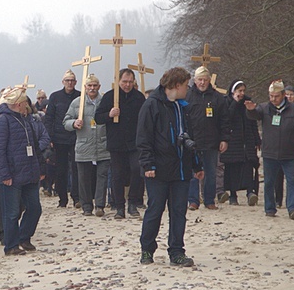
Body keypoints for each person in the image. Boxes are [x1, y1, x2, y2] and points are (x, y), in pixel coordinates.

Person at [136, 68, 204, 267]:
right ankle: (147, 249)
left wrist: (196, 164)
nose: (188, 88)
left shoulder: (183, 107)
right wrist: (148, 163)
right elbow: (143, 137)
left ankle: (176, 251)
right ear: (176, 85)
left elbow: (189, 137)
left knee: (178, 212)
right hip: (157, 169)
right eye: (185, 85)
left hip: (181, 169)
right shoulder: (151, 105)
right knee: (155, 210)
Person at [245, 80, 294, 220]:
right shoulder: (264, 108)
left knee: (292, 181)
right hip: (270, 153)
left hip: (290, 153)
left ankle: (293, 208)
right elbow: (254, 115)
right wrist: (250, 110)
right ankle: (270, 208)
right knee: (269, 181)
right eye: (271, 96)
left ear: (283, 95)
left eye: (276, 96)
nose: (273, 99)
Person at [0, 87, 43, 256]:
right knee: (12, 212)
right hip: (12, 175)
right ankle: (11, 245)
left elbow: (34, 146)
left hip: (29, 172)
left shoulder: (25, 119)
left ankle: (24, 237)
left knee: (35, 208)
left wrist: (40, 167)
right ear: (19, 104)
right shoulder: (2, 120)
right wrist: (5, 174)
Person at [95, 68, 146, 219]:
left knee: (136, 170)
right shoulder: (110, 96)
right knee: (117, 175)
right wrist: (109, 115)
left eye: (130, 82)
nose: (127, 85)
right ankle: (119, 207)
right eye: (124, 81)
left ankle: (132, 203)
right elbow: (98, 118)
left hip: (134, 142)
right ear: (118, 81)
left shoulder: (138, 97)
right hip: (116, 142)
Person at [63, 74, 110, 217]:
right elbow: (66, 121)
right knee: (83, 177)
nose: (92, 88)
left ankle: (100, 205)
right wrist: (74, 123)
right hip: (84, 145)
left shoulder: (105, 102)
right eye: (89, 85)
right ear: (85, 87)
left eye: (95, 85)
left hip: (102, 144)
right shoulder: (77, 103)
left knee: (102, 176)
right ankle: (86, 205)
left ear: (99, 87)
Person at [186, 66, 230, 211]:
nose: (202, 83)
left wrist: (224, 139)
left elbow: (224, 120)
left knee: (210, 172)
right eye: (200, 80)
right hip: (193, 141)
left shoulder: (217, 97)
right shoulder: (188, 96)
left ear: (209, 80)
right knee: (193, 172)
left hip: (212, 141)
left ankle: (209, 199)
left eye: (205, 80)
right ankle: (193, 200)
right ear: (195, 80)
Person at [220, 80, 261, 205]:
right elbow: (227, 118)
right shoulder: (226, 102)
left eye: (243, 90)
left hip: (247, 140)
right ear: (233, 91)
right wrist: (235, 102)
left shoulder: (248, 102)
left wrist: (257, 139)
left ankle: (250, 192)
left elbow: (253, 121)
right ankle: (233, 195)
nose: (242, 93)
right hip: (232, 141)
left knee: (249, 166)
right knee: (232, 168)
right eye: (239, 91)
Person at [44, 69, 81, 208]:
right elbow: (49, 118)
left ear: (76, 82)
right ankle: (62, 198)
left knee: (76, 168)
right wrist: (50, 137)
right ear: (63, 82)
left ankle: (76, 197)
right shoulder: (55, 97)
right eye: (67, 80)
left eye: (72, 80)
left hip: (76, 136)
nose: (70, 83)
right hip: (59, 138)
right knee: (61, 170)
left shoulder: (80, 96)